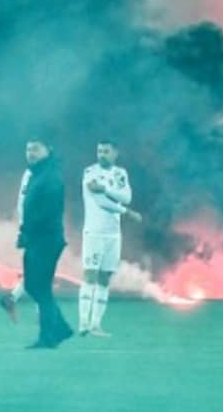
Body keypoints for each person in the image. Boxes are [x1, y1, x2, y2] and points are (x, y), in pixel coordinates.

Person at [78, 140, 139, 336]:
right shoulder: (90, 172)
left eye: (106, 151)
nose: (101, 154)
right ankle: (83, 323)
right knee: (90, 275)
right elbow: (101, 201)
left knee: (105, 278)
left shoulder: (120, 173)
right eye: (99, 151)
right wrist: (126, 212)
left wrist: (106, 189)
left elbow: (126, 196)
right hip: (94, 231)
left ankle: (96, 325)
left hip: (113, 234)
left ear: (115, 153)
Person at [17, 137, 73, 349]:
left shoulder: (50, 176)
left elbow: (46, 211)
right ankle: (57, 330)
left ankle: (52, 334)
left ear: (48, 149)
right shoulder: (38, 173)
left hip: (46, 239)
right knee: (37, 286)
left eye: (36, 149)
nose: (31, 153)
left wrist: (29, 231)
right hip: (37, 238)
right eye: (28, 148)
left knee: (38, 285)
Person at [0, 168, 31, 323]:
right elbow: (24, 202)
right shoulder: (34, 173)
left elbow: (22, 201)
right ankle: (44, 312)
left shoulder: (30, 173)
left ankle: (12, 298)